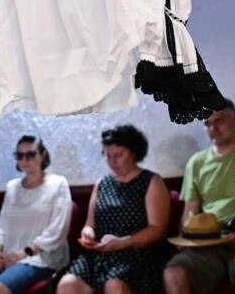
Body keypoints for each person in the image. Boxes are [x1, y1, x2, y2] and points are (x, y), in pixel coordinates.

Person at [57, 125, 170, 294]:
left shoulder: (151, 181)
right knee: (67, 285)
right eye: (108, 156)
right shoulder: (102, 183)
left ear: (133, 153)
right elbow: (89, 224)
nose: (112, 161)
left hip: (135, 253)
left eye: (117, 155)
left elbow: (158, 230)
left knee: (114, 285)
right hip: (100, 254)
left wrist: (124, 242)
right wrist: (88, 234)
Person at [0, 134, 72, 294]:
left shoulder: (58, 184)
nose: (25, 160)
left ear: (43, 155)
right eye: (20, 155)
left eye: (30, 154)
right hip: (8, 255)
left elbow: (58, 230)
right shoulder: (12, 187)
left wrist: (25, 252)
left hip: (41, 257)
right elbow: (1, 226)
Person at [164, 100, 235, 294]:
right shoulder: (196, 163)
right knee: (173, 273)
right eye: (207, 124)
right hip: (208, 243)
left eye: (219, 121)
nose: (213, 128)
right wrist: (186, 236)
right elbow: (189, 215)